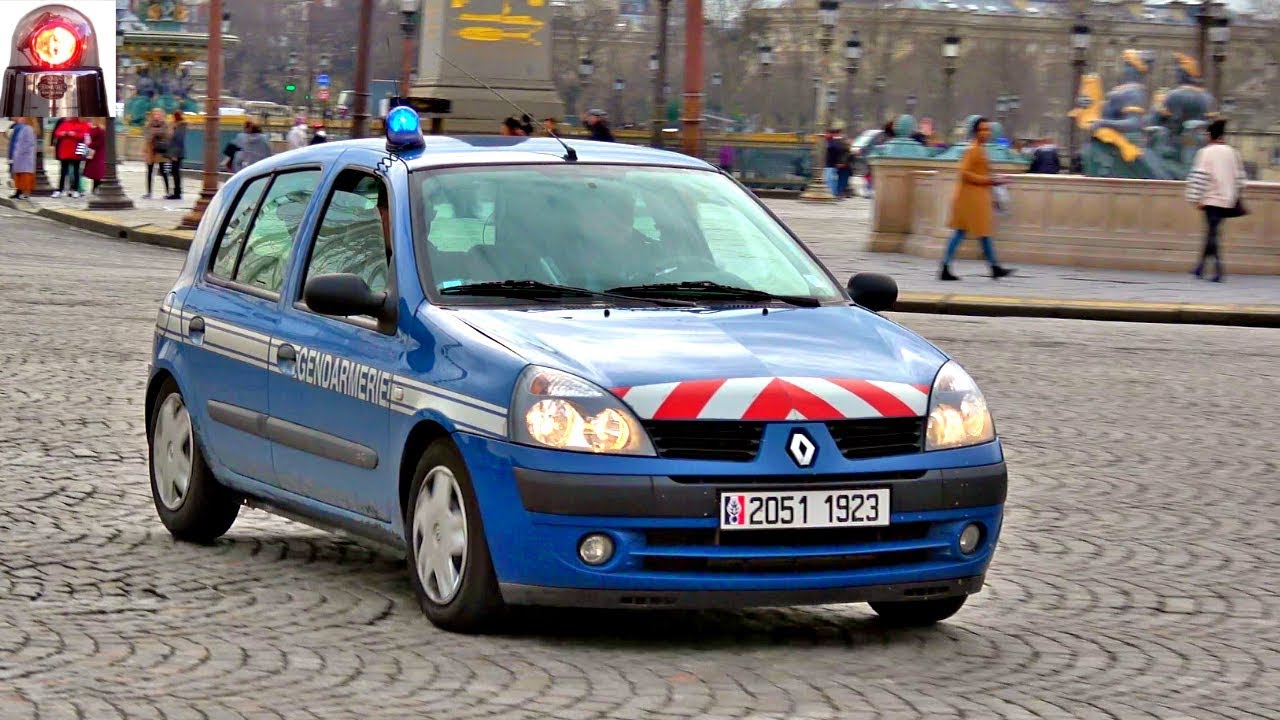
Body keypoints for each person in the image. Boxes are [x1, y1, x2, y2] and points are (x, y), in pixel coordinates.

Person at [940, 117, 1015, 281]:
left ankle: (992, 267)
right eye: (982, 130)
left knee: (979, 233)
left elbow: (977, 172)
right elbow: (964, 172)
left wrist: (996, 178)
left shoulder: (979, 149)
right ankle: (992, 267)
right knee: (973, 232)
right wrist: (990, 180)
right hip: (970, 199)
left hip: (974, 197)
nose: (986, 133)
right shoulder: (973, 149)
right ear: (975, 132)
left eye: (987, 129)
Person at [1185, 118, 1246, 282]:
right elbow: (1240, 179)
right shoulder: (1233, 152)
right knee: (1212, 232)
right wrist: (1234, 195)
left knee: (1212, 234)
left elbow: (1200, 177)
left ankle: (1219, 270)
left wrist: (1195, 198)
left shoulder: (1205, 152)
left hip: (1211, 199)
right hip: (1227, 200)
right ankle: (1200, 267)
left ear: (1210, 136)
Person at [52, 116, 92, 198]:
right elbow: (57, 133)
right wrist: (64, 133)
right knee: (63, 171)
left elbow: (84, 135)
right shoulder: (65, 123)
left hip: (76, 151)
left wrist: (74, 134)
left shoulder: (84, 124)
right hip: (65, 151)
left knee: (76, 171)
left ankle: (76, 190)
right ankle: (60, 189)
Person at [142, 108, 171, 199]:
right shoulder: (148, 124)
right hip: (151, 150)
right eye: (154, 114)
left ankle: (168, 192)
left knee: (164, 172)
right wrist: (156, 132)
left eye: (158, 114)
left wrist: (155, 132)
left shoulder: (165, 124)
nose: (156, 116)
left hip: (161, 151)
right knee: (150, 172)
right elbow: (146, 135)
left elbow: (167, 134)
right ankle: (149, 192)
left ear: (162, 115)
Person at [9, 117, 36, 199]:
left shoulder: (28, 129)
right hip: (20, 157)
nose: (19, 119)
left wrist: (19, 152)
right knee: (20, 175)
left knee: (25, 176)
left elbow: (28, 143)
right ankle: (19, 192)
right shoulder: (24, 128)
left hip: (24, 157)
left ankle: (25, 193)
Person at [166, 111, 187, 199]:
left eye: (173, 117)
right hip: (174, 152)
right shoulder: (176, 126)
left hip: (176, 153)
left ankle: (177, 193)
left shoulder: (181, 126)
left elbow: (178, 140)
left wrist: (174, 154)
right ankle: (176, 191)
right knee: (173, 172)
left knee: (176, 172)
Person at [83, 118, 107, 194]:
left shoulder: (101, 130)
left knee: (97, 172)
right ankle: (95, 188)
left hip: (97, 153)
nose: (92, 120)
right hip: (92, 151)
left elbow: (99, 142)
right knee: (94, 172)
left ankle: (96, 188)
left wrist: (89, 144)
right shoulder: (93, 128)